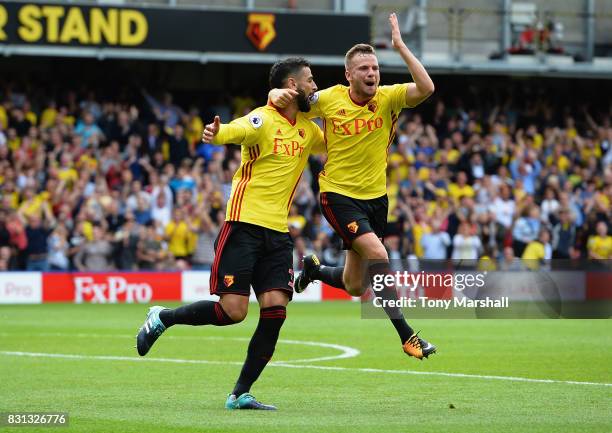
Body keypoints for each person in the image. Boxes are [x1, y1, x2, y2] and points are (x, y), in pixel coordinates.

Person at [136, 57, 324, 410]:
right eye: (310, 80)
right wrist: (217, 133)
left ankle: (240, 393)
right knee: (234, 311)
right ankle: (163, 317)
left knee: (275, 311)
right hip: (243, 226)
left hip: (278, 234)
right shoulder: (262, 119)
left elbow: (334, 128)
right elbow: (238, 129)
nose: (315, 85)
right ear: (293, 85)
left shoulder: (309, 129)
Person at [269, 13, 436, 359]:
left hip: (376, 199)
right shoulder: (328, 100)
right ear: (349, 75)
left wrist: (401, 47)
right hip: (338, 195)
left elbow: (427, 88)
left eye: (374, 67)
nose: (371, 73)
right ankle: (407, 335)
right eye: (363, 69)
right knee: (378, 255)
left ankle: (314, 270)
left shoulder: (389, 98)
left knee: (355, 284)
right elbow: (287, 100)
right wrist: (275, 92)